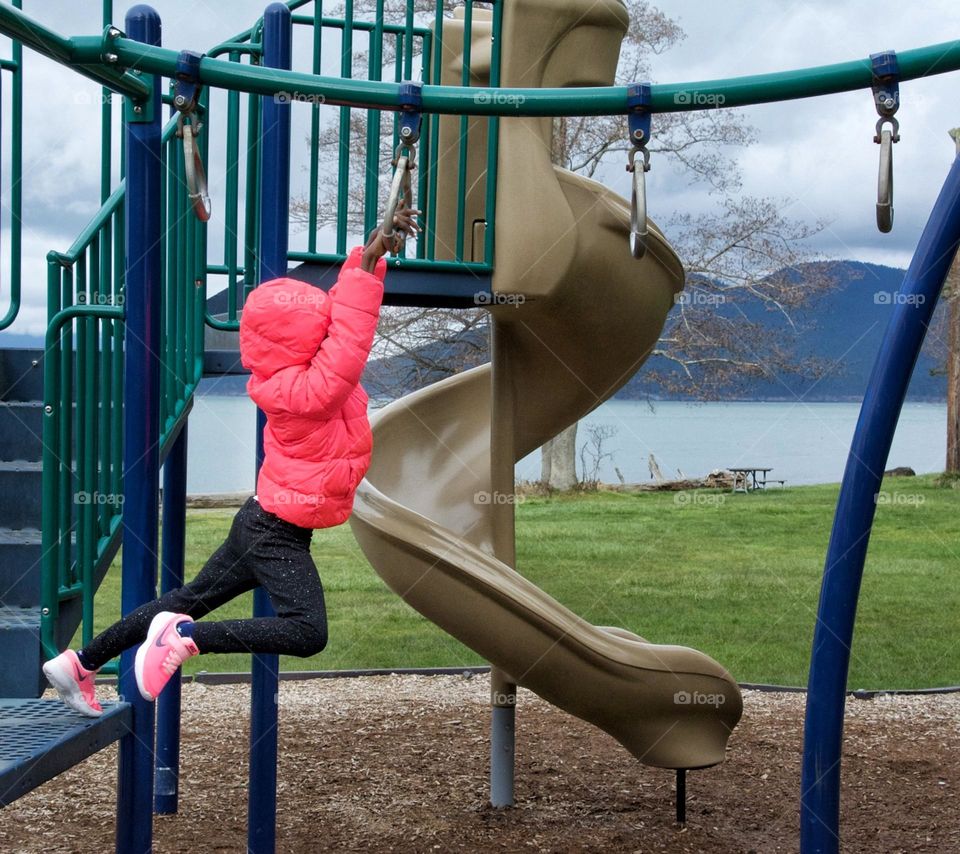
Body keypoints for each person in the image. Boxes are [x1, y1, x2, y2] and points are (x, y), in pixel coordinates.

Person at [42, 207, 420, 717]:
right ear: (302, 342)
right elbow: (348, 344)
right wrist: (365, 275)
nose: (326, 330)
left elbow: (338, 323)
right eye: (315, 328)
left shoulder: (291, 372)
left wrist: (368, 259)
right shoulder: (304, 389)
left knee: (188, 593)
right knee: (307, 631)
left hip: (260, 519)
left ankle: (80, 662)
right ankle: (186, 638)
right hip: (276, 532)